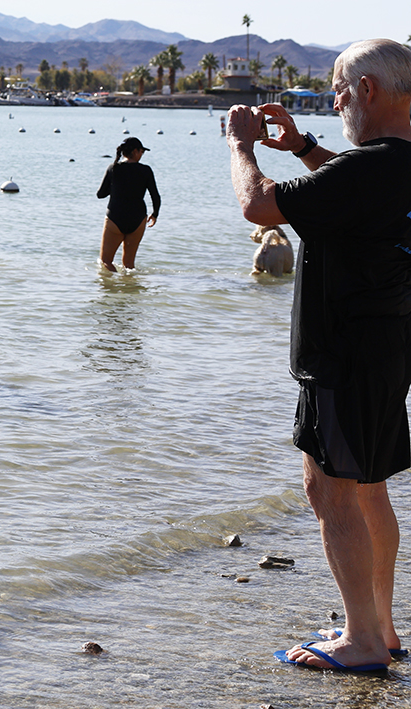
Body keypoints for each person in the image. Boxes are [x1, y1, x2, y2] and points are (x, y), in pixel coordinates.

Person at [227, 38, 411, 673]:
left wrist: (242, 145)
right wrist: (305, 147)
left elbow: (258, 205)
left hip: (340, 354)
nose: (336, 104)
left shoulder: (366, 169)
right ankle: (380, 629)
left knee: (329, 488)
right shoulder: (397, 164)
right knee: (368, 488)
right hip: (385, 350)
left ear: (367, 92)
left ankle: (362, 640)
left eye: (338, 92)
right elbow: (355, 189)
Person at [96, 136, 160, 273]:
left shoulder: (113, 168)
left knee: (106, 261)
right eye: (142, 151)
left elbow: (100, 194)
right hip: (137, 219)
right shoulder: (146, 170)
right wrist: (155, 214)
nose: (142, 154)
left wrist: (115, 187)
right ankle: (129, 292)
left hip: (115, 217)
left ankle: (110, 292)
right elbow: (155, 196)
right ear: (135, 151)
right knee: (129, 266)